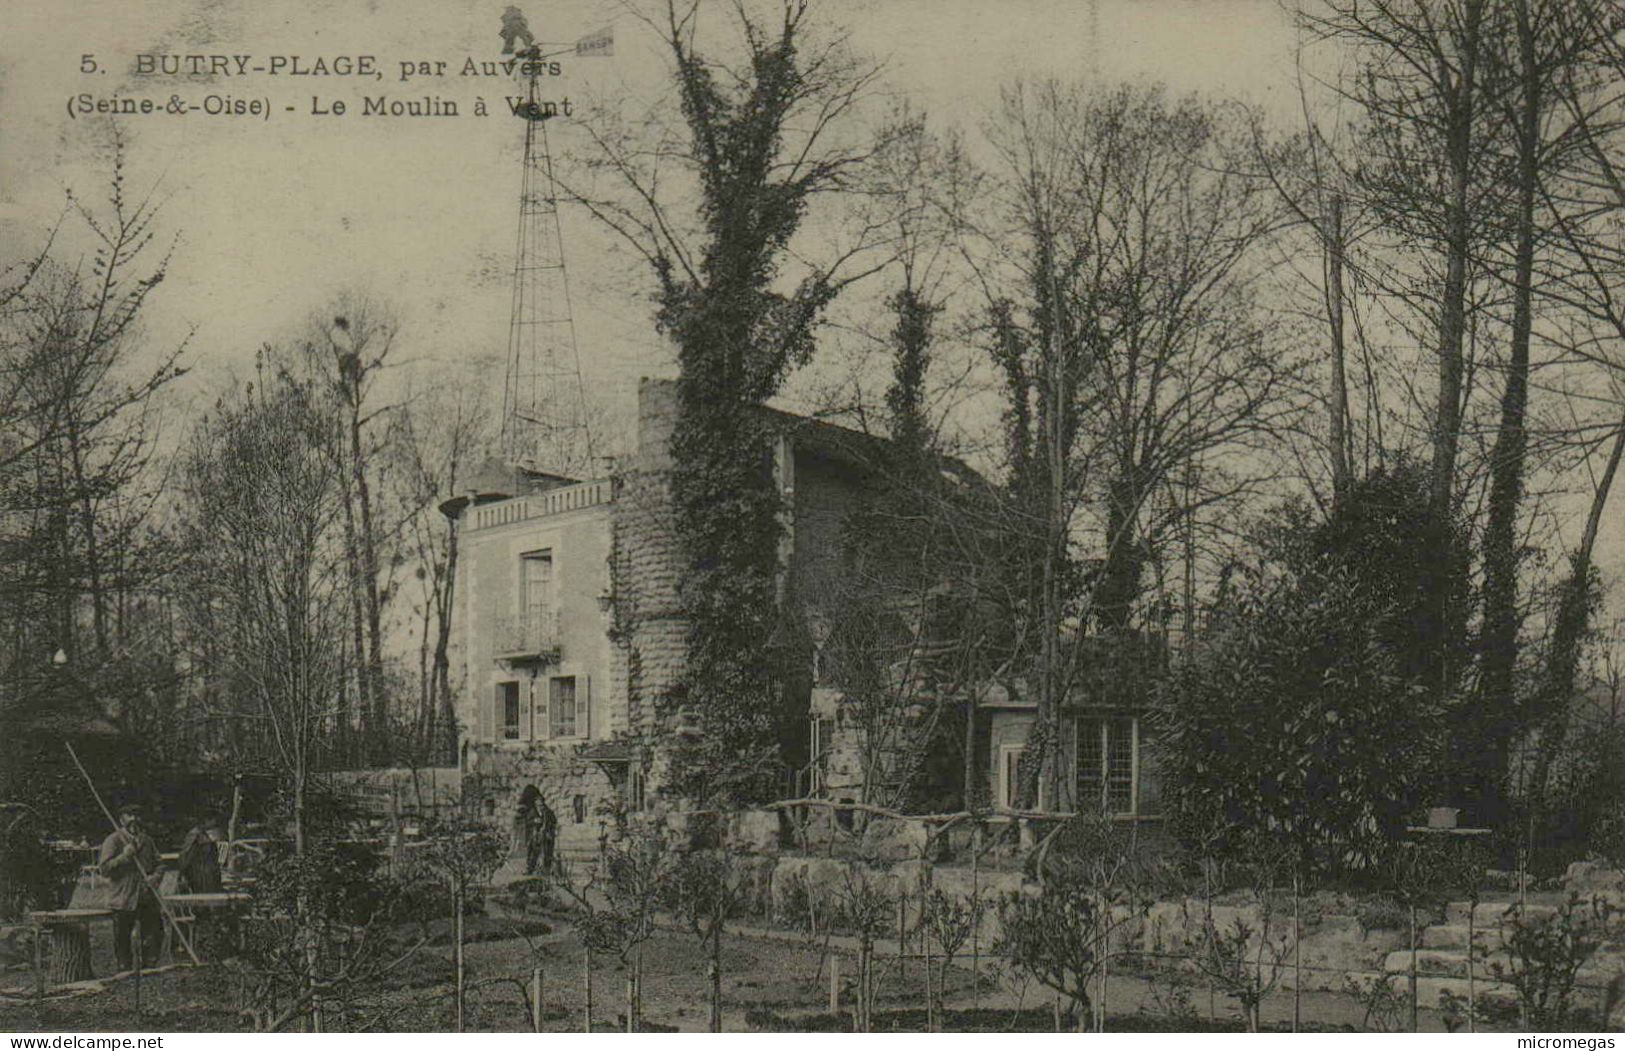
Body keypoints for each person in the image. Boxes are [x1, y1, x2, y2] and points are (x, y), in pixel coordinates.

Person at [98, 804, 162, 973]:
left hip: (146, 895)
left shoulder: (147, 841)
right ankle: (124, 970)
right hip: (123, 898)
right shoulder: (114, 840)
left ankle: (149, 968)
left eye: (137, 815)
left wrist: (155, 877)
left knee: (154, 932)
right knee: (122, 938)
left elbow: (160, 864)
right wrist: (124, 857)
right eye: (129, 815)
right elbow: (104, 869)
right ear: (121, 820)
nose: (133, 819)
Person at [176, 812, 223, 893]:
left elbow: (214, 855)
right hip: (198, 874)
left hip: (208, 874)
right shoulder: (194, 834)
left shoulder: (206, 834)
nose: (214, 823)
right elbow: (186, 857)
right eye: (212, 821)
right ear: (206, 820)